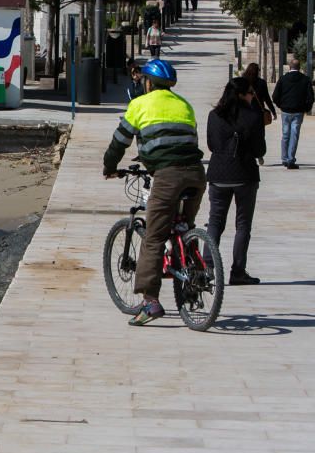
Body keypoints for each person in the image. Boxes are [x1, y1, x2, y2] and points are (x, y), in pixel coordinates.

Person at [104, 59, 205, 326]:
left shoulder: (139, 105)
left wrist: (110, 166)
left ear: (148, 83)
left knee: (154, 236)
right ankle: (193, 276)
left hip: (167, 176)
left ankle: (150, 303)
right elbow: (188, 140)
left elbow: (120, 141)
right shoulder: (184, 105)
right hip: (196, 174)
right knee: (184, 225)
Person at [205, 77, 265, 285]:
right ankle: (237, 271)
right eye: (250, 93)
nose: (252, 96)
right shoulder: (253, 117)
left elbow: (211, 145)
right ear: (241, 94)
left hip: (218, 174)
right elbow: (260, 150)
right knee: (243, 225)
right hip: (244, 176)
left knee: (215, 222)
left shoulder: (214, 116)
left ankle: (207, 267)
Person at [272, 58, 315, 169]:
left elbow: (275, 96)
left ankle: (284, 158)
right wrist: (306, 108)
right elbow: (310, 97)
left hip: (286, 110)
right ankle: (291, 159)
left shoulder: (283, 79)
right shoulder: (305, 79)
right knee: (294, 134)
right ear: (299, 67)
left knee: (285, 134)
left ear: (290, 67)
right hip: (298, 111)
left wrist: (280, 105)